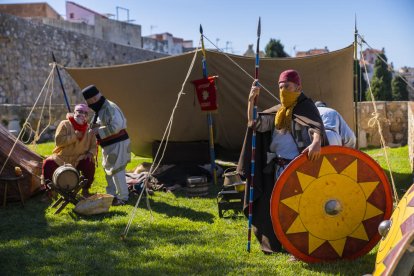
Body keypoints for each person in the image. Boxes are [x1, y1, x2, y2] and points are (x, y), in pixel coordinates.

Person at [237, 69, 328, 255]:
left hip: (299, 169)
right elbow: (254, 124)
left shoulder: (306, 107)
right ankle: (284, 244)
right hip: (277, 169)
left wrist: (317, 142)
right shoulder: (278, 112)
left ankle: (300, 247)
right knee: (281, 210)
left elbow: (316, 127)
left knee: (299, 209)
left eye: (287, 86)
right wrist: (250, 100)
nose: (283, 90)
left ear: (298, 87)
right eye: (280, 87)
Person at [82, 85, 131, 206]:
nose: (90, 106)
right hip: (109, 146)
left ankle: (123, 198)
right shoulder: (101, 108)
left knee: (117, 170)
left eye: (89, 103)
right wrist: (94, 127)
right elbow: (103, 122)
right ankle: (111, 194)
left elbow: (116, 126)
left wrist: (98, 131)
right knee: (109, 170)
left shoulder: (109, 107)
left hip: (118, 144)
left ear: (93, 99)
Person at [42, 104, 96, 198]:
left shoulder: (89, 129)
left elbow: (93, 145)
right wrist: (74, 136)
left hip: (79, 158)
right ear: (74, 112)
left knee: (89, 163)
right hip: (62, 157)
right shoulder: (65, 124)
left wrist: (91, 153)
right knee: (48, 164)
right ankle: (50, 191)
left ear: (87, 116)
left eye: (85, 113)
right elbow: (58, 142)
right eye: (79, 111)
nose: (81, 114)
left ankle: (85, 190)